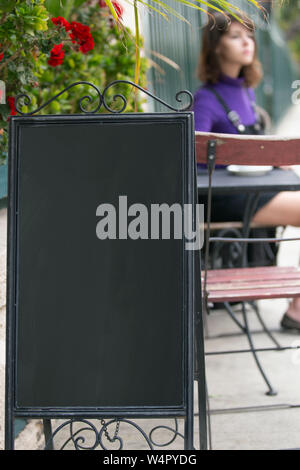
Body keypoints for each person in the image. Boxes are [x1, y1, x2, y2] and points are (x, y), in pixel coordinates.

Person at [193, 12, 300, 331]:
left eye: (249, 36)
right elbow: (195, 164)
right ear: (216, 47)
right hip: (224, 197)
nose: (246, 42)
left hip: (253, 189)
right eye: (235, 36)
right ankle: (298, 308)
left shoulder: (247, 91)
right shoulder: (205, 100)